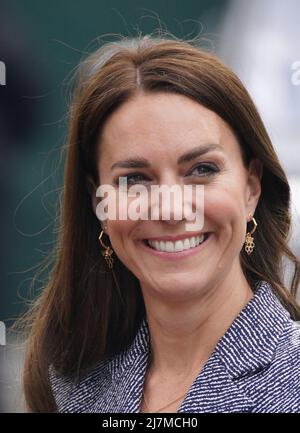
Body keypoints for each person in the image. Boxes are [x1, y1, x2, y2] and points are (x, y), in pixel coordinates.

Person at [23, 34, 300, 413]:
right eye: (135, 179)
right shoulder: (72, 384)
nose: (170, 209)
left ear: (251, 188)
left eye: (201, 170)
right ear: (98, 203)